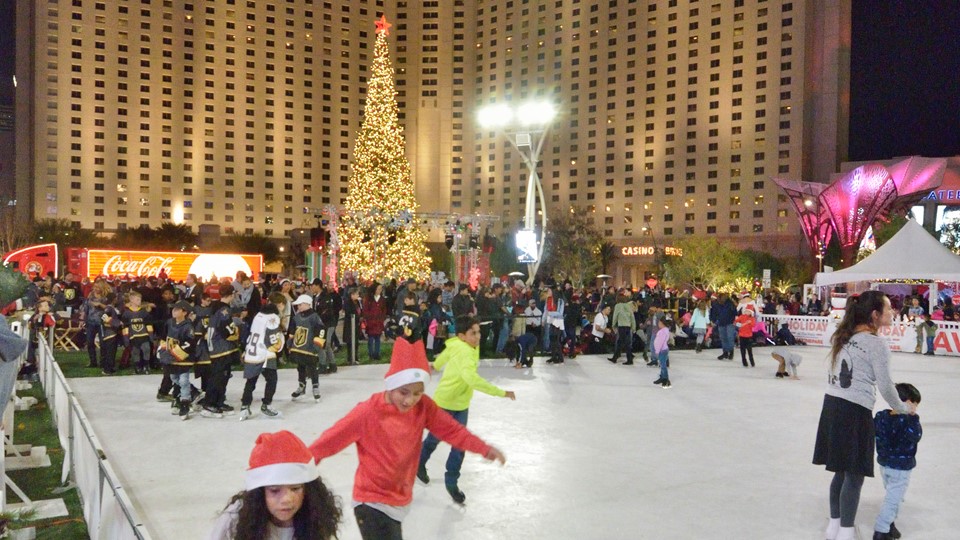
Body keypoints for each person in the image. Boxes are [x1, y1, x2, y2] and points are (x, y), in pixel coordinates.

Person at [307, 339, 506, 540]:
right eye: (403, 392)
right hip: (371, 502)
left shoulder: (424, 407)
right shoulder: (367, 412)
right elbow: (331, 440)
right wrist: (300, 468)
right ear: (391, 385)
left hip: (399, 500)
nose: (409, 400)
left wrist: (482, 448)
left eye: (417, 393)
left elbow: (452, 430)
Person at [812, 291, 915, 540]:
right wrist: (903, 409)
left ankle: (834, 526)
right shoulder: (876, 343)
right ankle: (846, 532)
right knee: (854, 475)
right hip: (854, 411)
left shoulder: (844, 335)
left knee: (840, 471)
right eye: (889, 309)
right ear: (875, 315)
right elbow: (886, 386)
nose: (892, 313)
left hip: (832, 406)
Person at [417, 316, 516, 503]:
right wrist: (500, 392)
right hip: (445, 402)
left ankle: (451, 482)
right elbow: (472, 379)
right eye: (473, 333)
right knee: (434, 439)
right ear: (463, 336)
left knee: (459, 444)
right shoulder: (463, 351)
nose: (478, 337)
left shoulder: (463, 344)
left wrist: (436, 365)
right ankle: (419, 464)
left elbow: (448, 351)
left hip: (462, 404)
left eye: (478, 332)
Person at [209, 430, 342, 540]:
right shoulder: (236, 517)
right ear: (260, 493)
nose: (287, 499)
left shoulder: (316, 516)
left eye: (295, 488)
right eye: (274, 491)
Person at [872, 383, 923, 540]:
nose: (915, 408)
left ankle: (890, 524)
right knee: (893, 499)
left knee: (892, 495)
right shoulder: (908, 421)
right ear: (906, 402)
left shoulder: (881, 417)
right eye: (914, 404)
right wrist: (913, 418)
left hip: (884, 465)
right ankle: (881, 530)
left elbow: (875, 433)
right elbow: (916, 436)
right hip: (900, 468)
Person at [240, 299, 287, 421]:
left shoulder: (258, 316)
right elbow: (271, 339)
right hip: (265, 352)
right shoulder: (273, 317)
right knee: (272, 379)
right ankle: (266, 405)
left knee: (251, 381)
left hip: (251, 351)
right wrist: (280, 341)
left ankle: (245, 407)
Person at [157, 300, 197, 420]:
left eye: (177, 309)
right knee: (174, 378)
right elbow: (164, 337)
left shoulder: (188, 326)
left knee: (184, 381)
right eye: (173, 309)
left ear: (184, 312)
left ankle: (185, 404)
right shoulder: (169, 323)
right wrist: (163, 350)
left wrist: (175, 353)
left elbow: (189, 344)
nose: (173, 311)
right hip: (171, 359)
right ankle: (194, 392)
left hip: (183, 358)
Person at [288, 294, 325, 403]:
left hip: (310, 348)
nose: (298, 307)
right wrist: (290, 344)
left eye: (300, 305)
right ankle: (301, 385)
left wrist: (317, 345)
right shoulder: (296, 317)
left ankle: (315, 387)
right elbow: (292, 331)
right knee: (300, 367)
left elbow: (321, 331)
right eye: (298, 305)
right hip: (299, 348)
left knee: (312, 368)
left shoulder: (314, 317)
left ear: (307, 304)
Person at [120, 290, 155, 375]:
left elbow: (149, 324)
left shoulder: (143, 312)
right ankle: (137, 367)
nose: (139, 301)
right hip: (133, 336)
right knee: (135, 352)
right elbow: (125, 327)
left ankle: (146, 366)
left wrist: (151, 336)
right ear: (131, 300)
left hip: (144, 335)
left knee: (146, 349)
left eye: (140, 299)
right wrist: (126, 338)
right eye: (137, 300)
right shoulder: (126, 313)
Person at [607, 295, 636, 365]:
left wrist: (613, 325)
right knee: (627, 343)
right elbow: (632, 317)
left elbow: (615, 316)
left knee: (620, 343)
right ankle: (619, 358)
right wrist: (633, 327)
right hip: (628, 326)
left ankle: (624, 359)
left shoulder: (618, 306)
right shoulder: (628, 306)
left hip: (621, 326)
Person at [652, 316, 673, 388]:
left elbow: (660, 342)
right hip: (664, 349)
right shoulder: (666, 330)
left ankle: (666, 379)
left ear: (662, 323)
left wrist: (657, 351)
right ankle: (662, 377)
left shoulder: (662, 332)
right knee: (662, 364)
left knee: (663, 365)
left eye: (659, 322)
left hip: (662, 350)